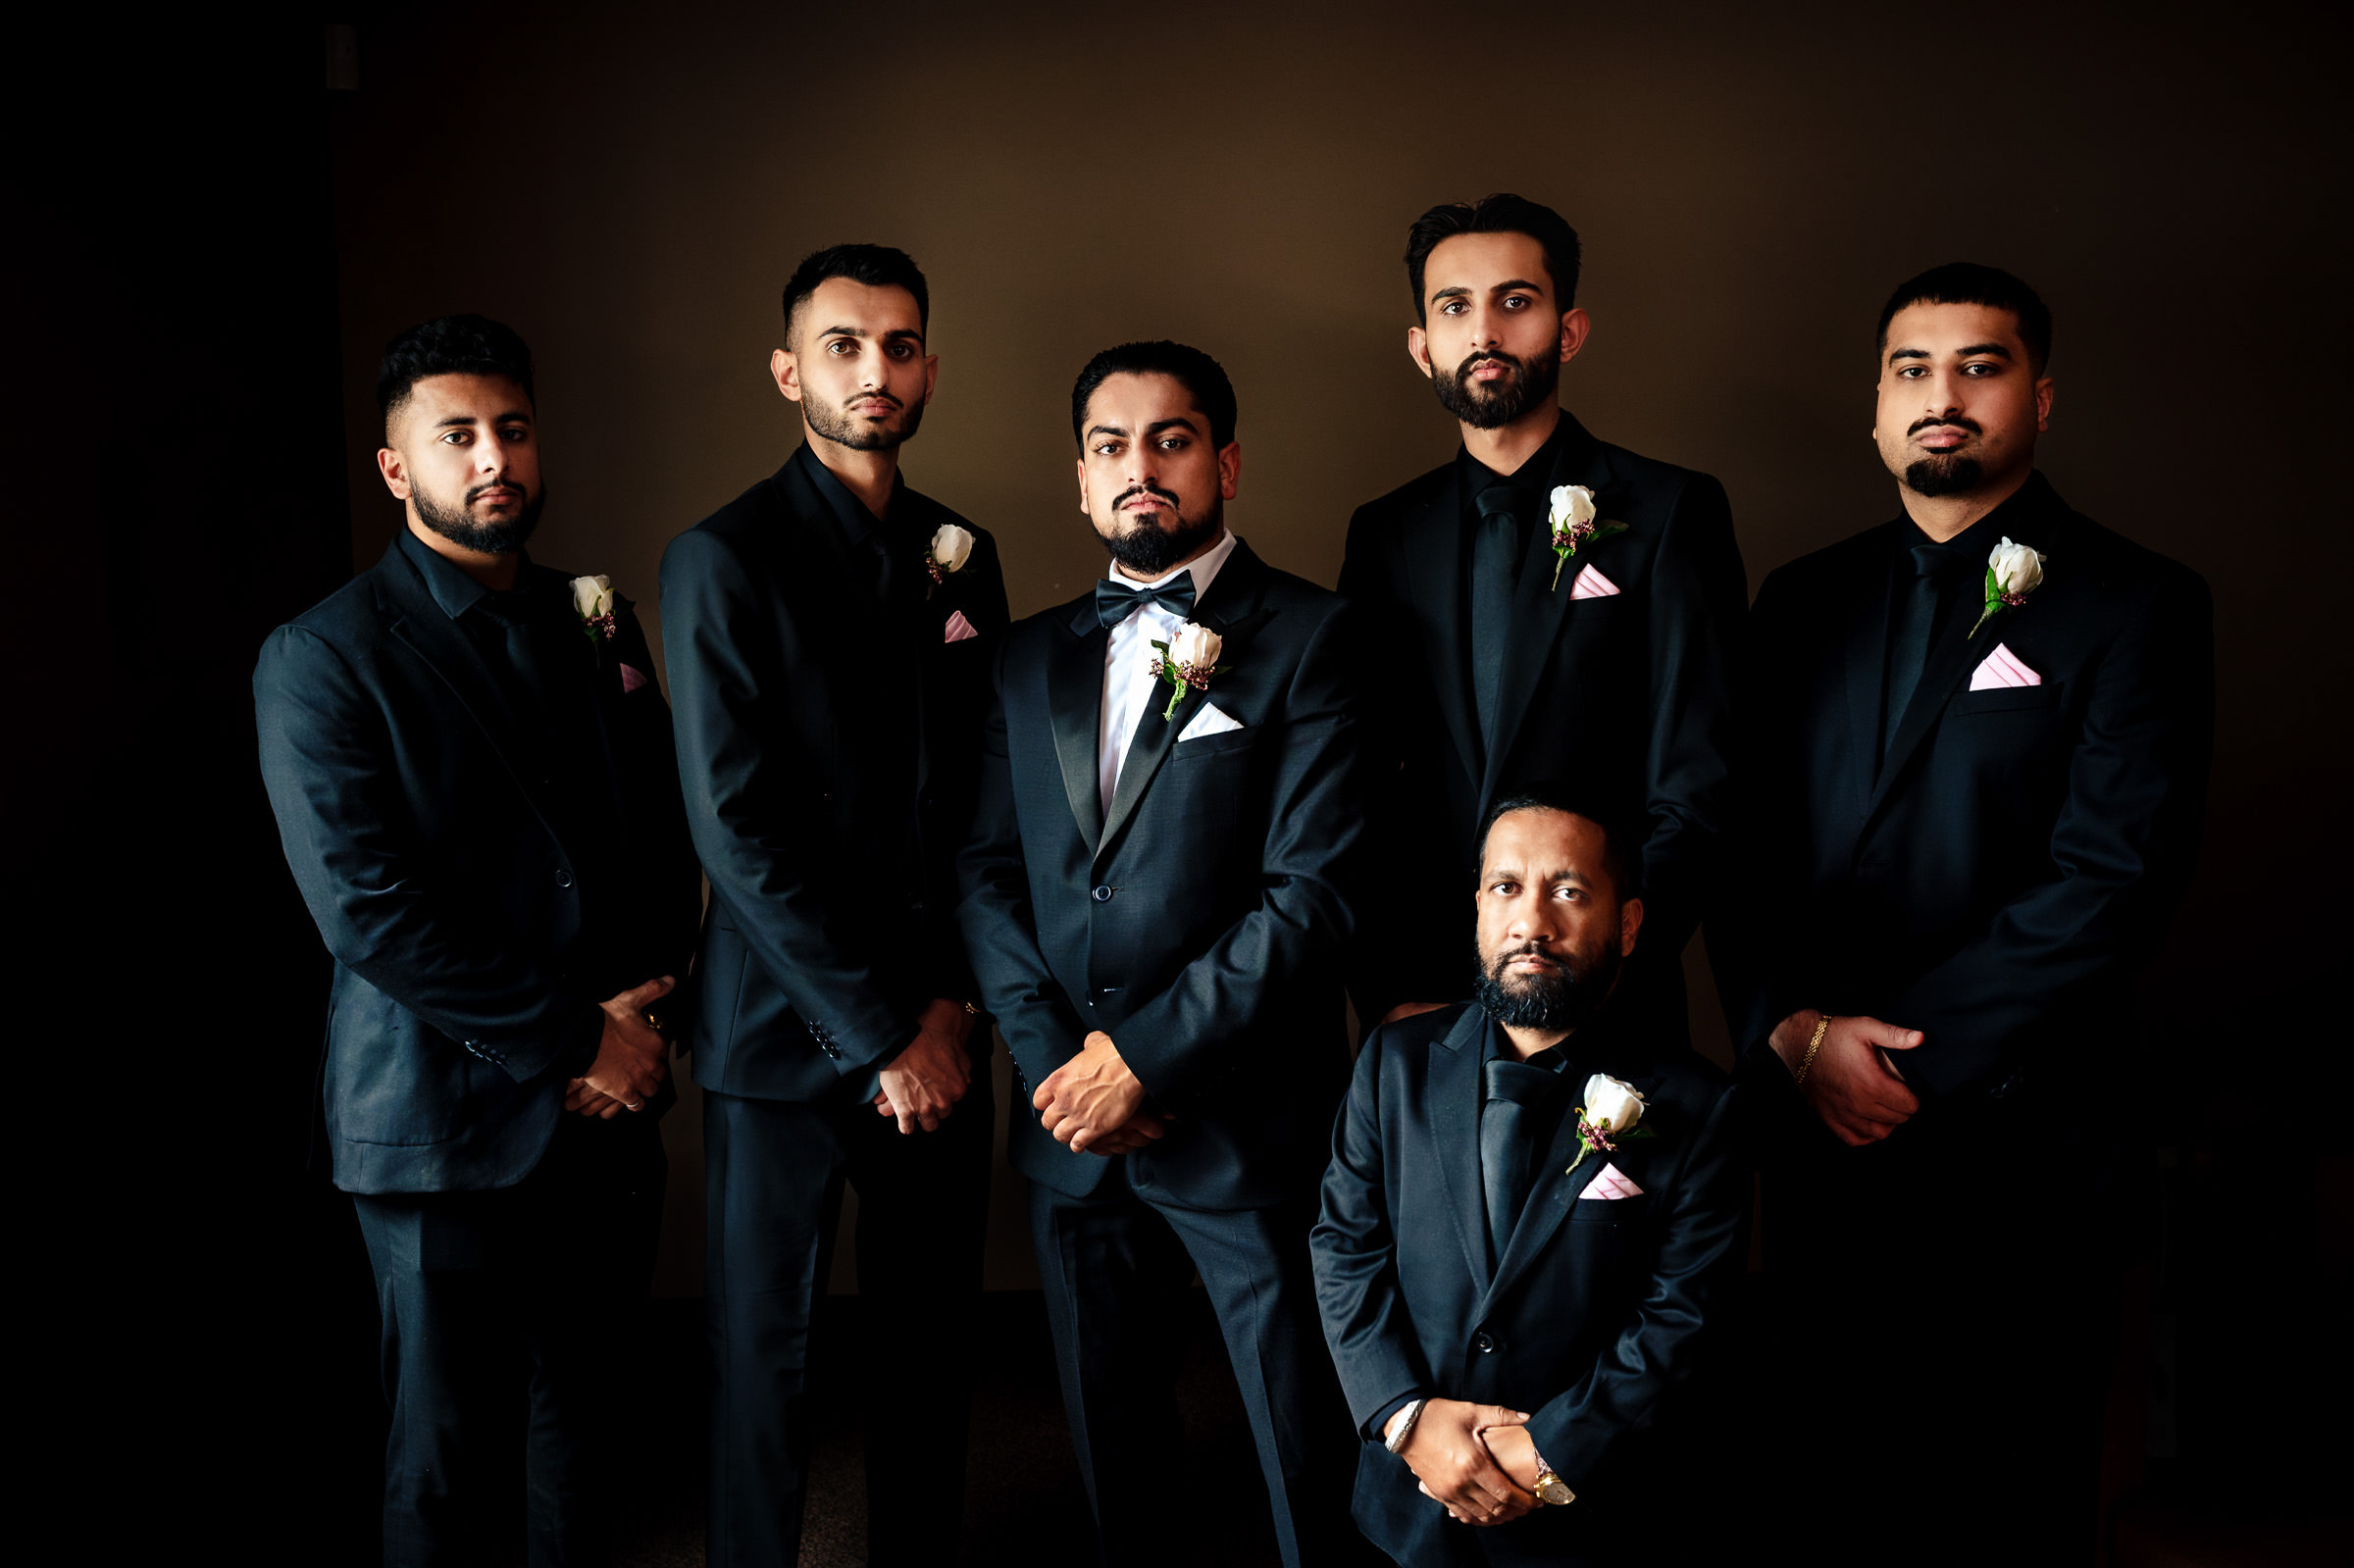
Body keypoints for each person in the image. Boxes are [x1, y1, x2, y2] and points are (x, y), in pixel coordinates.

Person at [1718, 263, 2214, 1563]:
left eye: (1980, 367)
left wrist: (1894, 1052)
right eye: (1913, 370)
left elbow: (2113, 876)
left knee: (2013, 1506)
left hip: (2022, 1145)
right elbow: (1746, 850)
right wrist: (1788, 1027)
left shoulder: (2136, 602)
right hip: (1825, 1147)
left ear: (2038, 400)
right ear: (1876, 409)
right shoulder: (1797, 600)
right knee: (1835, 1493)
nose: (1945, 397)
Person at [255, 314, 703, 1565]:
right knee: (445, 1468)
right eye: (456, 435)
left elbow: (663, 841)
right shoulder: (321, 654)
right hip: (436, 1125)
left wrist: (645, 1025)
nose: (493, 456)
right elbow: (367, 907)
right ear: (398, 468)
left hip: (603, 1124)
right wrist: (575, 1038)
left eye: (511, 427)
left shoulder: (596, 618)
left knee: (590, 1447)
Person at [956, 341, 1374, 1568]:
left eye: (1171, 440)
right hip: (1070, 1127)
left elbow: (1314, 896)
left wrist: (1143, 1060)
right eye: (1109, 446)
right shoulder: (1024, 658)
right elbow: (986, 879)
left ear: (1226, 462)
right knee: (1110, 1441)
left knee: (1302, 1439)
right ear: (1081, 480)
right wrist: (1062, 1070)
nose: (1140, 470)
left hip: (1244, 1114)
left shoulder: (1315, 637)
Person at [659, 244, 1009, 1568]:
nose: (877, 369)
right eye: (847, 344)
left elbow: (985, 798)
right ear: (788, 367)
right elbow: (737, 827)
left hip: (940, 1015)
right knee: (769, 1356)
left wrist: (950, 1005)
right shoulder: (722, 556)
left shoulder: (959, 553)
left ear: (928, 364)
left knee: (930, 1343)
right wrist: (880, 1031)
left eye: (902, 344)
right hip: (784, 1036)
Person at [1339, 194, 1747, 1044]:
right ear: (1423, 347)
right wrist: (1386, 985)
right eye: (1455, 307)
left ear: (1568, 329)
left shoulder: (1671, 512)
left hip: (1607, 1001)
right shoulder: (1383, 534)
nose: (1484, 330)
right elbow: (1357, 783)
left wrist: (1598, 972)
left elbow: (1698, 785)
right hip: (1426, 1009)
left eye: (1515, 302)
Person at [1312, 789, 1746, 1566]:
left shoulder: (1698, 1105)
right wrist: (1409, 1420)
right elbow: (1344, 1245)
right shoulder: (1392, 1063)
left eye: (1569, 891)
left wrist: (1546, 1453)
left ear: (1630, 921)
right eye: (1506, 887)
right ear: (1477, 907)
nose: (1532, 923)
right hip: (1408, 1502)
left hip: (1592, 1512)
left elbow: (1681, 1314)